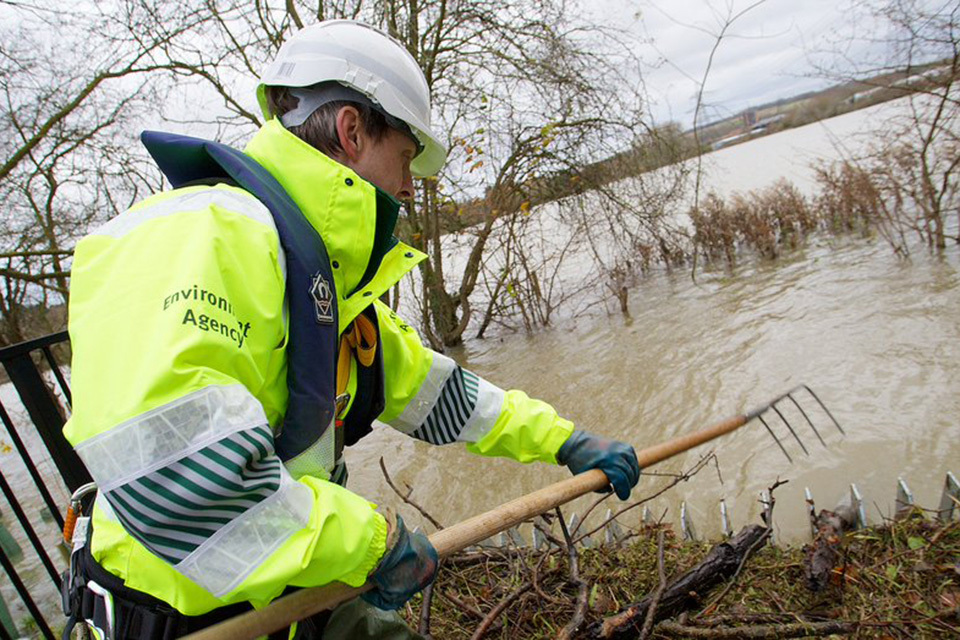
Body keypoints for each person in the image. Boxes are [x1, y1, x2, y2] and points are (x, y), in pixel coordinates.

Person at [62, 19, 640, 640]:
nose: (409, 187)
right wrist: (371, 544)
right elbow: (181, 487)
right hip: (187, 616)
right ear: (352, 130)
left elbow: (442, 395)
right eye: (406, 158)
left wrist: (569, 442)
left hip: (298, 587)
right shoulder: (200, 236)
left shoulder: (319, 280)